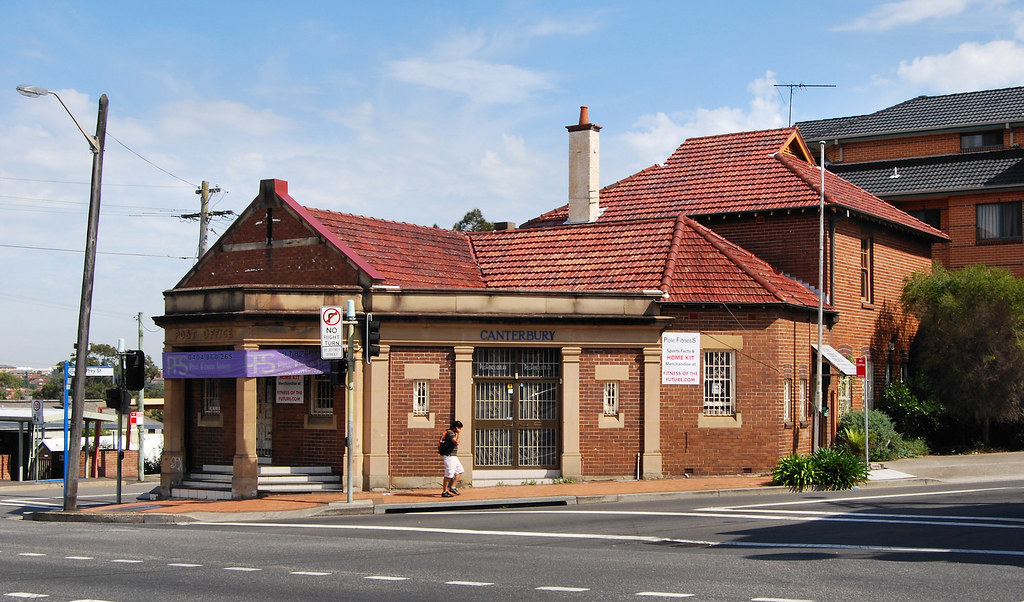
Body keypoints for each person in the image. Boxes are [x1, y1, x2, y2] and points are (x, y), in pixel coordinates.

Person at [440, 420, 464, 498]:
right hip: (449, 457)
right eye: (459, 428)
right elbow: (457, 442)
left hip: (454, 457)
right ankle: (444, 491)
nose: (460, 430)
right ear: (456, 428)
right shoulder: (450, 434)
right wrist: (459, 434)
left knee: (460, 471)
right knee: (449, 474)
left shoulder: (451, 433)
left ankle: (452, 487)